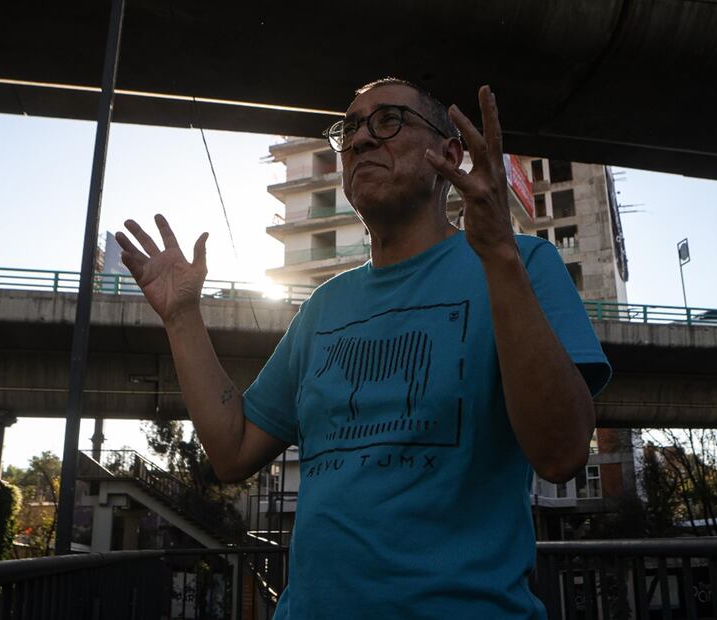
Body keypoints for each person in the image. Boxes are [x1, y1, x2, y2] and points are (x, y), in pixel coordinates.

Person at [116, 79, 611, 619]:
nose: (360, 141)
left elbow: (562, 454)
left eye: (389, 120)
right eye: (349, 128)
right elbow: (232, 450)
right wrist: (184, 318)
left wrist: (497, 252)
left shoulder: (525, 264)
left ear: (449, 153)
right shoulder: (324, 307)